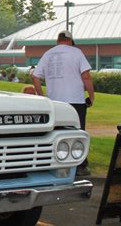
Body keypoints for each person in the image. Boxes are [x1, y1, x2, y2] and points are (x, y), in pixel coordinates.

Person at [32, 30, 94, 176]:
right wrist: (91, 96)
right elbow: (86, 76)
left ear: (57, 40)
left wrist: (42, 96)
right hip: (75, 101)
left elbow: (35, 76)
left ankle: (52, 162)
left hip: (54, 101)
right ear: (71, 41)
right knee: (77, 132)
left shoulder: (48, 54)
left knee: (55, 132)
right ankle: (79, 166)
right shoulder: (76, 52)